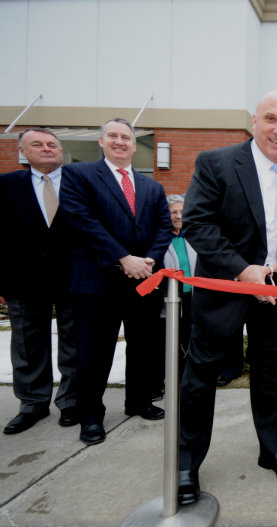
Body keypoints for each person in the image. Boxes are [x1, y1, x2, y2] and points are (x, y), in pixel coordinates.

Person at [176, 91, 277, 505]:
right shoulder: (216, 162)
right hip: (226, 290)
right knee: (200, 378)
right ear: (254, 121)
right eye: (271, 119)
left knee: (270, 374)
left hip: (276, 295)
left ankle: (272, 450)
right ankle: (186, 463)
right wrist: (242, 268)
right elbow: (198, 224)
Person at [60, 118, 171, 446]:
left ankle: (138, 402)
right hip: (97, 280)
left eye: (126, 137)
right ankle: (91, 415)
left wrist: (150, 258)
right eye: (113, 136)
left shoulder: (152, 186)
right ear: (101, 141)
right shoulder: (79, 175)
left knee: (143, 346)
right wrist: (123, 258)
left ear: (135, 146)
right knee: (94, 352)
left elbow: (165, 226)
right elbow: (82, 221)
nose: (120, 141)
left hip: (144, 281)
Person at [0, 128, 78, 434]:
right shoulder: (5, 185)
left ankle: (70, 400)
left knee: (74, 342)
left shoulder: (80, 183)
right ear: (23, 151)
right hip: (23, 280)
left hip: (74, 278)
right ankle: (32, 402)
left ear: (60, 151)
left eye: (52, 145)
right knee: (28, 344)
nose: (46, 149)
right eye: (37, 144)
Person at [152, 194, 198, 396]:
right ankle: (157, 383)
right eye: (173, 212)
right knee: (163, 341)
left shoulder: (192, 236)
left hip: (192, 297)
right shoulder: (160, 239)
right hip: (168, 299)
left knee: (187, 339)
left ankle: (183, 381)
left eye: (182, 212)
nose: (178, 216)